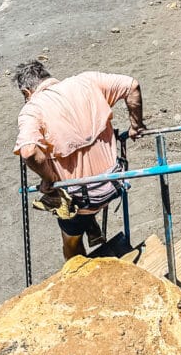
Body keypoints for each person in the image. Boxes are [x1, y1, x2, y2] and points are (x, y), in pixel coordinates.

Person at [12, 62, 146, 260]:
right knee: (87, 201)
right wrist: (136, 126)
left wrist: (47, 178)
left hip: (80, 198)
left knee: (69, 238)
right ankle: (91, 225)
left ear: (26, 92)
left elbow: (29, 152)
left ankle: (78, 263)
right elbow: (132, 86)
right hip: (115, 181)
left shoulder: (33, 109)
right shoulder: (88, 80)